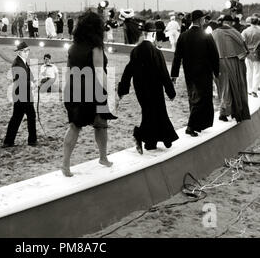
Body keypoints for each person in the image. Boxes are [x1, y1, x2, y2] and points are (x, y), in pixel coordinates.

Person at [62, 11, 116, 177]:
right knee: (100, 125)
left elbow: (68, 70)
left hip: (73, 89)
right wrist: (112, 92)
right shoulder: (96, 47)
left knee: (75, 126)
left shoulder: (73, 46)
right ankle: (103, 157)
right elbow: (100, 73)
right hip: (92, 91)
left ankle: (65, 164)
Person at [118, 21, 178, 153]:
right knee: (158, 112)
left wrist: (122, 89)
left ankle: (151, 142)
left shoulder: (135, 51)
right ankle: (144, 135)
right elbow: (164, 73)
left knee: (148, 112)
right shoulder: (156, 52)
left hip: (140, 89)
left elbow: (128, 71)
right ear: (153, 34)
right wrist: (171, 92)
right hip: (154, 88)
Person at [171, 10, 220, 137]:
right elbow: (214, 55)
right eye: (203, 19)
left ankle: (198, 125)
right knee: (203, 98)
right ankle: (191, 126)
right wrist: (216, 71)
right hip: (204, 72)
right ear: (200, 20)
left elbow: (177, 57)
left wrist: (174, 74)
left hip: (189, 72)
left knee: (193, 97)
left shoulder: (183, 35)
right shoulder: (206, 35)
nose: (204, 21)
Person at [212, 15, 250, 122]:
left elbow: (209, 49)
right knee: (236, 88)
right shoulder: (235, 32)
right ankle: (236, 112)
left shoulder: (214, 33)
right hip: (234, 62)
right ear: (231, 22)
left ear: (223, 21)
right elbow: (244, 51)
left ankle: (223, 112)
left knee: (223, 88)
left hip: (218, 63)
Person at [3, 42, 37, 147]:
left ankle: (8, 141)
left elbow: (29, 74)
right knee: (31, 115)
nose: (28, 53)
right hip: (22, 94)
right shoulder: (17, 63)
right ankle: (32, 140)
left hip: (23, 94)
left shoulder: (23, 62)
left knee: (17, 117)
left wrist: (33, 81)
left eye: (28, 51)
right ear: (20, 52)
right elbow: (19, 81)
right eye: (26, 51)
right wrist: (31, 84)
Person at [242, 16, 260, 97]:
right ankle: (254, 90)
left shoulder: (245, 31)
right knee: (257, 72)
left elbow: (241, 40)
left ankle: (249, 89)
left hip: (248, 53)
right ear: (257, 22)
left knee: (249, 72)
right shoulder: (259, 31)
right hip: (257, 53)